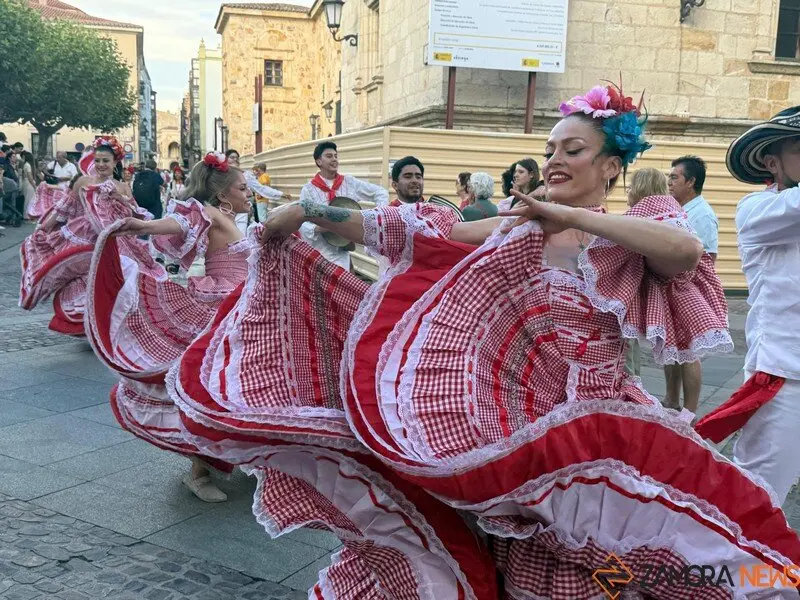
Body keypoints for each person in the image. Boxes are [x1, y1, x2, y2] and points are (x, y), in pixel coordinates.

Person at [164, 83, 798, 597]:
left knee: (623, 557)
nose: (554, 160)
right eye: (551, 147)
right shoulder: (513, 226)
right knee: (515, 553)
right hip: (514, 419)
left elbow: (684, 251)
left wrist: (571, 216)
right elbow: (402, 233)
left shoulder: (641, 220)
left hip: (603, 425)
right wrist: (307, 213)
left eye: (572, 149)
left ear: (611, 165)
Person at [85, 151, 252, 503]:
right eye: (242, 187)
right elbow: (182, 224)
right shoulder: (211, 213)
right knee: (208, 386)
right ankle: (199, 472)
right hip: (220, 307)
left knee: (244, 384)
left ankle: (250, 454)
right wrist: (144, 226)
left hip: (243, 307)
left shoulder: (234, 218)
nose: (248, 192)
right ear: (223, 194)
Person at [696, 106, 800, 505]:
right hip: (784, 377)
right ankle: (734, 568)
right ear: (772, 162)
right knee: (755, 500)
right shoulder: (756, 209)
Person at [19, 136, 142, 335]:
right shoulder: (83, 182)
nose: (101, 165)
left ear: (115, 163)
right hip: (84, 234)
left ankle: (107, 321)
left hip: (112, 238)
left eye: (106, 161)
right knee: (85, 277)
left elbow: (134, 214)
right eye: (98, 160)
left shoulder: (122, 187)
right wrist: (45, 227)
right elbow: (65, 208)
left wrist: (120, 199)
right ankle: (84, 323)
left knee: (117, 277)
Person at [661, 155, 718, 415]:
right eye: (669, 177)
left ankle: (690, 410)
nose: (669, 182)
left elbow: (707, 259)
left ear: (691, 182)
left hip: (689, 289)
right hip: (671, 286)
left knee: (688, 351)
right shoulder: (677, 208)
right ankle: (671, 399)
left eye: (674, 177)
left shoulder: (702, 214)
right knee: (670, 346)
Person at [297, 140, 389, 269]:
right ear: (319, 162)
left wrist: (377, 216)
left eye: (336, 156)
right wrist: (318, 228)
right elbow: (301, 220)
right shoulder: (309, 189)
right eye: (329, 156)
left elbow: (381, 192)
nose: (334, 159)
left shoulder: (349, 182)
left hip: (342, 251)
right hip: (319, 252)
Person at [624, 167, 671, 378]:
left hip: (632, 294)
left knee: (625, 352)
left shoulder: (641, 214)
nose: (628, 191)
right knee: (630, 351)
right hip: (658, 293)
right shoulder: (670, 210)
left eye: (631, 186)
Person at [18, 151, 37, 218]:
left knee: (27, 200)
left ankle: (27, 215)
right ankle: (27, 216)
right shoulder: (28, 165)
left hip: (26, 183)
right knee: (29, 200)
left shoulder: (25, 164)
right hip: (29, 184)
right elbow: (30, 177)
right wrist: (34, 186)